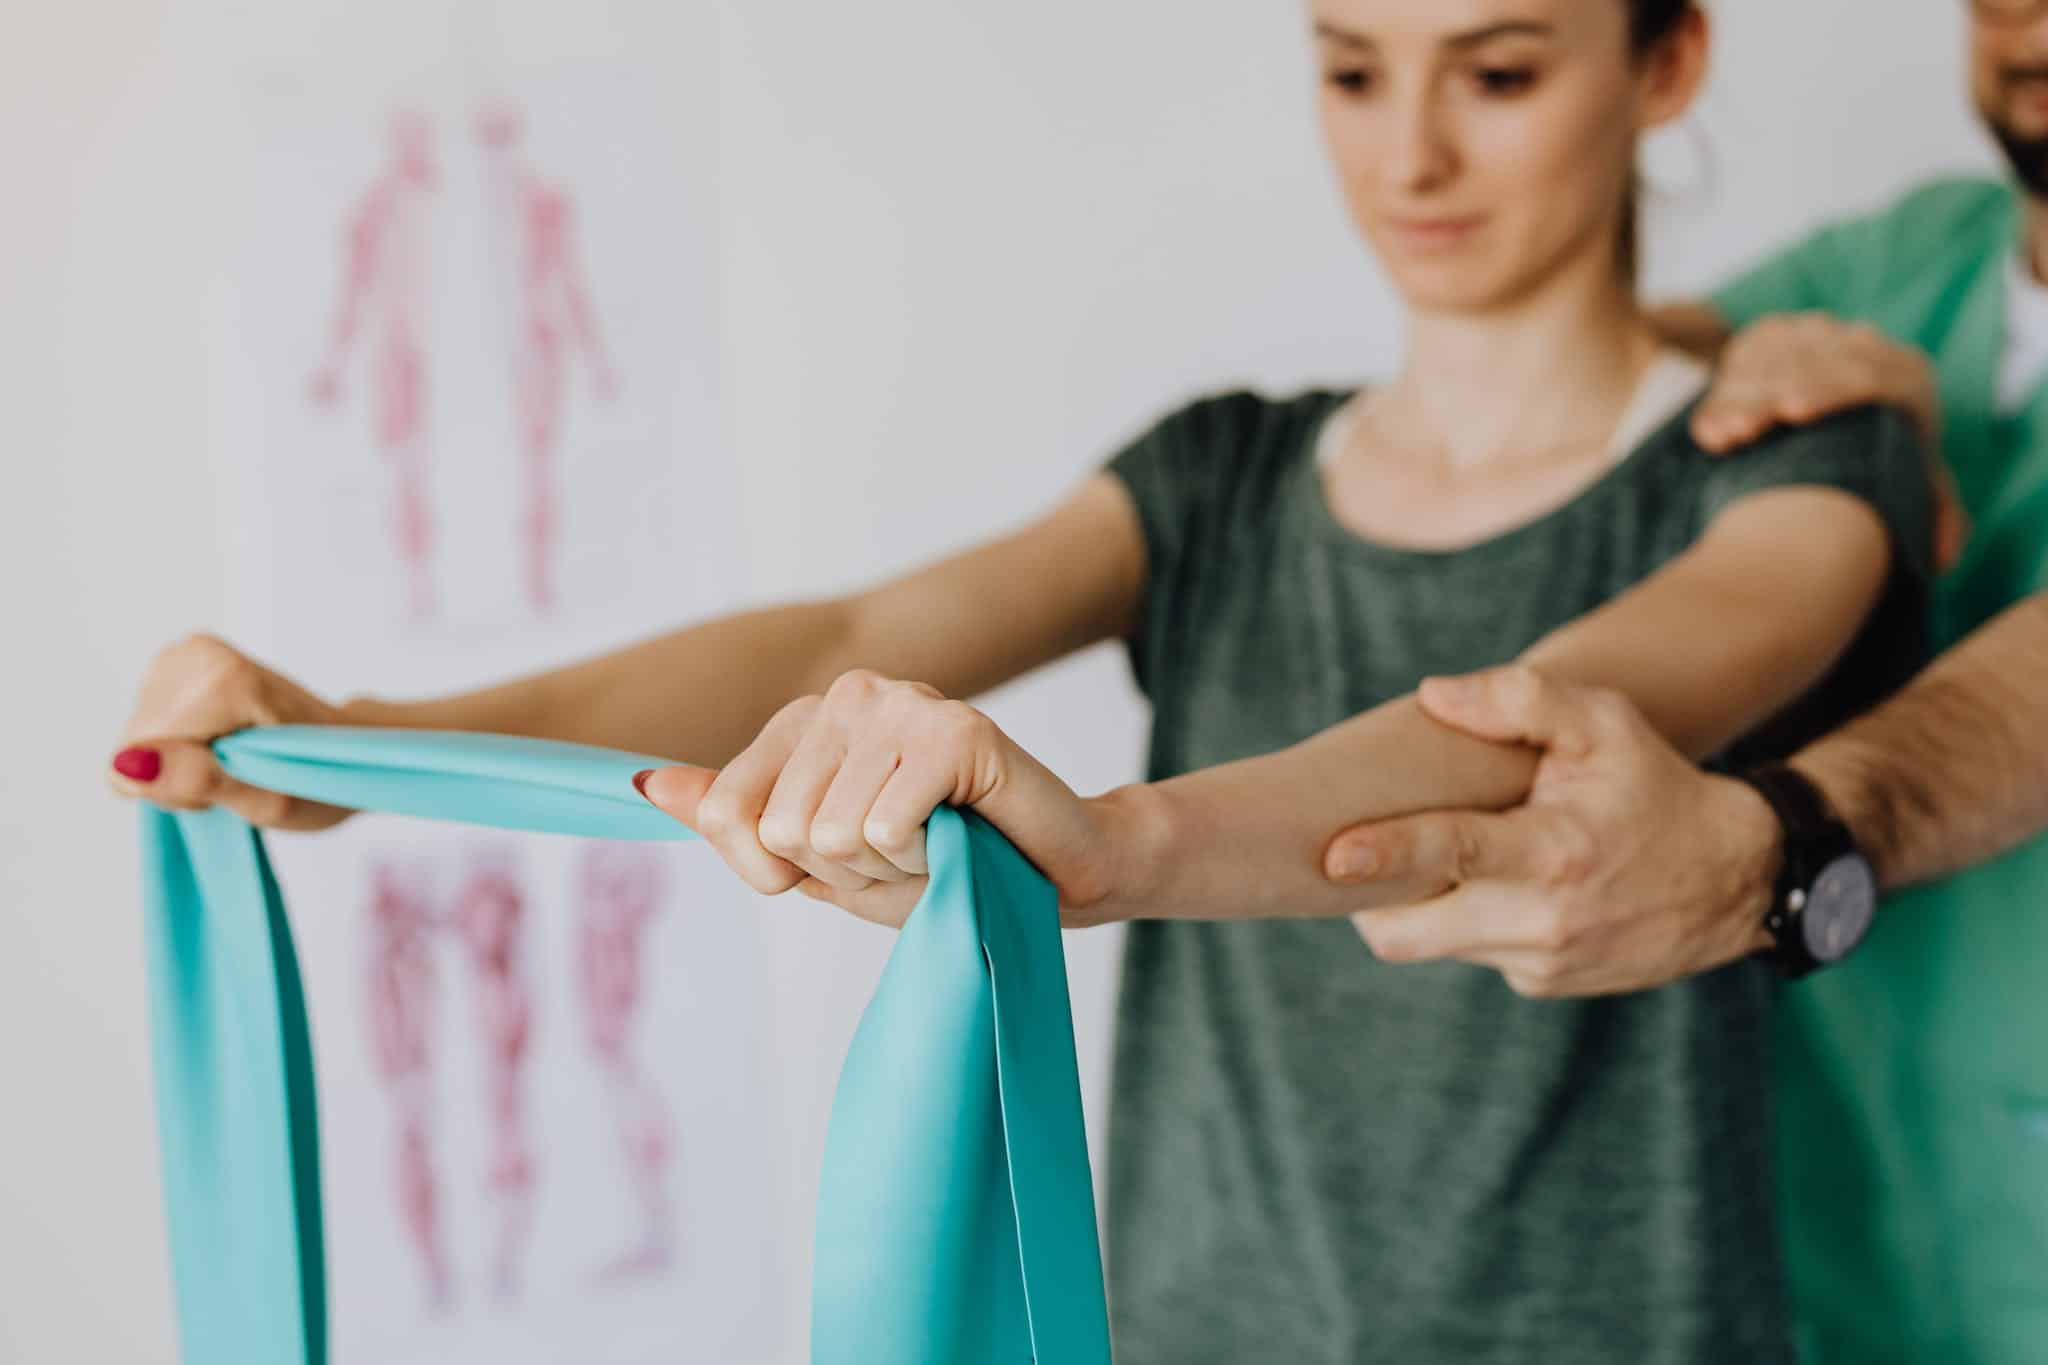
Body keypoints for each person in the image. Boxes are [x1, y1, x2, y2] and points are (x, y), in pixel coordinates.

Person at [110, 1, 1934, 1359]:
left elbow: (1519, 729)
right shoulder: (1220, 474)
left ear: (1669, 60)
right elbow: (842, 642)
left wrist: (1110, 848)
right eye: (1353, 67)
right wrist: (358, 748)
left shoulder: (1787, 465)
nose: (1412, 155)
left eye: (1503, 69)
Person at [1321, 3, 2048, 1359]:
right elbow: (1581, 360)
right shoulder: (1906, 260)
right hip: (1839, 1230)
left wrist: (1768, 847)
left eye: (1497, 71)